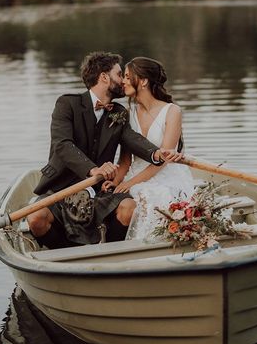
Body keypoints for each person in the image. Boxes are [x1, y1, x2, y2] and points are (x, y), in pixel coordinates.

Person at [28, 51, 179, 249]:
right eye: (119, 74)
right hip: (61, 188)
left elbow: (132, 139)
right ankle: (64, 254)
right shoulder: (67, 104)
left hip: (100, 191)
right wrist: (93, 170)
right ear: (104, 77)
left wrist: (156, 154)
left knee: (129, 208)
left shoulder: (118, 112)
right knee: (36, 219)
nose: (123, 81)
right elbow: (62, 145)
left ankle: (109, 253)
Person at [102, 56, 194, 242]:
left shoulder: (172, 111)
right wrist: (117, 181)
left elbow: (163, 159)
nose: (123, 81)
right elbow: (125, 161)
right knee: (127, 201)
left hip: (165, 174)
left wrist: (130, 184)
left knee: (150, 198)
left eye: (128, 77)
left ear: (143, 81)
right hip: (135, 174)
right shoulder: (127, 114)